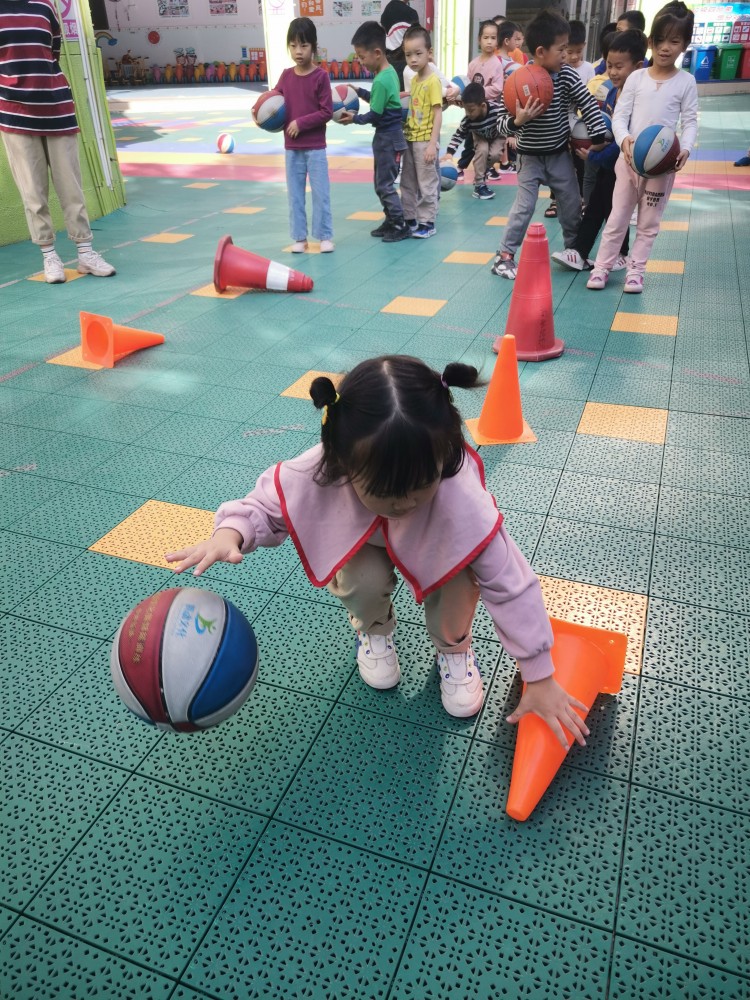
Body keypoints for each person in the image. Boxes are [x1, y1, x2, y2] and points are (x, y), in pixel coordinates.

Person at [166, 355, 591, 748]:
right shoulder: (325, 467)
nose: (403, 502)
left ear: (444, 456)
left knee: (459, 580)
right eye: (384, 490)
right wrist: (231, 533)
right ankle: (374, 630)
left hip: (435, 539)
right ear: (343, 464)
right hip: (362, 541)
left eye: (420, 485)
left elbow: (511, 583)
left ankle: (454, 648)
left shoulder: (459, 495)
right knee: (361, 579)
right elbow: (264, 506)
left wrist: (539, 675)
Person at [0, 0, 115, 283]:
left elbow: (53, 52)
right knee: (33, 191)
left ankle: (85, 253)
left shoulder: (44, 6)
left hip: (57, 108)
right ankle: (49, 255)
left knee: (71, 187)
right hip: (15, 113)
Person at [587, 2, 698, 294]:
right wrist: (624, 139)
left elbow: (690, 122)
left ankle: (635, 272)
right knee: (617, 218)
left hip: (662, 167)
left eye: (674, 41)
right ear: (650, 41)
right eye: (659, 40)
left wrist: (685, 148)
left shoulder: (686, 82)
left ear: (685, 45)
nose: (665, 48)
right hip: (628, 164)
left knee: (649, 223)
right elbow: (619, 116)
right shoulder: (636, 78)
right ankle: (601, 268)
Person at [490, 10, 608, 280]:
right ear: (541, 51)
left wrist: (598, 137)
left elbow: (587, 103)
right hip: (529, 158)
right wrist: (518, 121)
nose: (566, 55)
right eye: (561, 49)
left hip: (559, 155)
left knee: (570, 203)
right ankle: (504, 256)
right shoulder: (517, 80)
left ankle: (574, 250)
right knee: (524, 206)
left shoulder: (566, 76)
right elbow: (500, 123)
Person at [552, 29, 647, 273]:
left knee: (614, 209)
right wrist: (592, 142)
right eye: (609, 65)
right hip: (609, 163)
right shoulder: (614, 91)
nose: (612, 72)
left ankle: (618, 254)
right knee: (599, 206)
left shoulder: (639, 98)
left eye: (619, 66)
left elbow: (624, 138)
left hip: (625, 162)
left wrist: (594, 155)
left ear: (638, 67)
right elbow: (606, 126)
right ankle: (581, 252)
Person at [340, 21, 410, 243]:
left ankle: (399, 224)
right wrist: (359, 91)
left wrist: (354, 119)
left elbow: (375, 115)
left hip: (388, 140)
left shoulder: (381, 80)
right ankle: (391, 220)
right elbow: (379, 100)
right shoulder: (389, 73)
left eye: (362, 57)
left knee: (384, 185)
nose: (360, 62)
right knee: (381, 183)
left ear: (377, 53)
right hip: (389, 139)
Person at [274, 18, 334, 254]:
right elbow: (273, 102)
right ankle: (299, 237)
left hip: (316, 147)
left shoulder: (321, 77)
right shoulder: (286, 76)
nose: (298, 51)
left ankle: (325, 236)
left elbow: (326, 112)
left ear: (314, 47)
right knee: (295, 196)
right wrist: (259, 111)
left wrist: (301, 123)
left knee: (321, 194)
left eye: (304, 45)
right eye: (293, 46)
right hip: (292, 148)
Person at [400, 25, 442, 239]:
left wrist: (433, 143)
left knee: (427, 182)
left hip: (425, 141)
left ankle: (427, 221)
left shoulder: (433, 81)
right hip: (410, 138)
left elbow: (438, 113)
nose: (413, 59)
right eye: (408, 55)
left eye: (418, 53)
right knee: (407, 181)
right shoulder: (415, 80)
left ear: (429, 53)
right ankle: (410, 217)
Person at [441, 83, 502, 200]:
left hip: (497, 136)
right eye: (466, 110)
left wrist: (512, 136)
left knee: (495, 155)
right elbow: (458, 135)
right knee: (482, 150)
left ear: (482, 105)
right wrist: (449, 153)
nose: (468, 114)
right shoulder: (468, 120)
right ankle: (479, 185)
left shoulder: (496, 111)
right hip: (480, 136)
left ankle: (483, 169)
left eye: (471, 110)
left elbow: (508, 119)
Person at [380, 0, 418, 88]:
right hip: (405, 61)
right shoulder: (411, 13)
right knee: (407, 93)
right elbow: (417, 39)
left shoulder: (386, 12)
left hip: (387, 61)